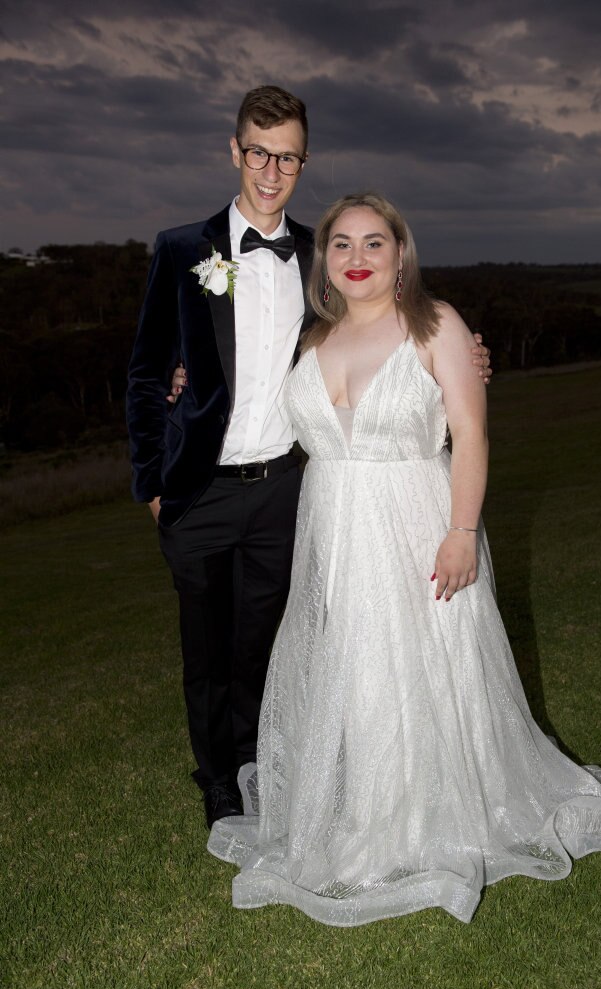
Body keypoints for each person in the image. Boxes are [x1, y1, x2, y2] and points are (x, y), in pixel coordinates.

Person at [206, 191, 601, 927]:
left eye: (373, 243)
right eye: (341, 244)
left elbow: (470, 437)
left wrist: (460, 531)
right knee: (352, 662)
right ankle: (364, 806)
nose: (356, 258)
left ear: (400, 254)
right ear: (325, 261)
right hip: (332, 526)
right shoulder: (310, 340)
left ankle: (422, 816)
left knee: (421, 663)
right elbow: (260, 407)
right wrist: (182, 393)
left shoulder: (437, 325)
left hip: (417, 522)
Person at [127, 86, 492, 830]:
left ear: (302, 161)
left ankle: (270, 766)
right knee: (204, 647)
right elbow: (143, 373)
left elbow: (381, 329)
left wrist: (467, 354)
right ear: (234, 151)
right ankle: (219, 782)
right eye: (258, 152)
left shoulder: (317, 256)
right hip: (195, 490)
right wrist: (151, 484)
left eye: (287, 156)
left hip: (286, 490)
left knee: (271, 642)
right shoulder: (177, 250)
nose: (270, 169)